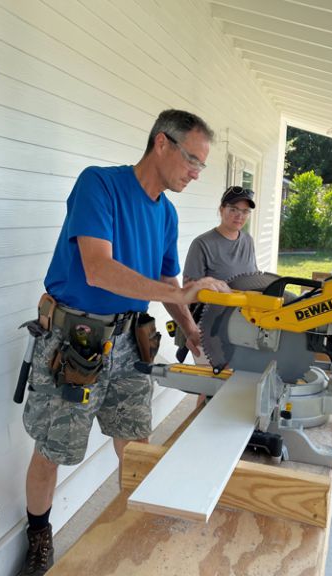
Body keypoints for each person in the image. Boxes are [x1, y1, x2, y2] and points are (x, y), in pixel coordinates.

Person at [19, 109, 229, 576]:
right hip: (76, 339)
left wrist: (191, 330)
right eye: (192, 160)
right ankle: (38, 534)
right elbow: (99, 268)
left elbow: (164, 278)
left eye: (202, 165)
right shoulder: (100, 185)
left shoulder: (167, 214)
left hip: (133, 340)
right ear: (161, 144)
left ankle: (141, 532)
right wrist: (178, 293)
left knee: (134, 442)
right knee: (53, 450)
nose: (196, 173)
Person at [180, 186, 258, 370]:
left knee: (233, 382)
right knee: (211, 385)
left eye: (245, 211)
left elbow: (254, 279)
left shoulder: (248, 241)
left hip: (241, 324)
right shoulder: (202, 244)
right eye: (233, 210)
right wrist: (189, 331)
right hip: (209, 326)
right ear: (221, 209)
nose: (239, 216)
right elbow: (188, 291)